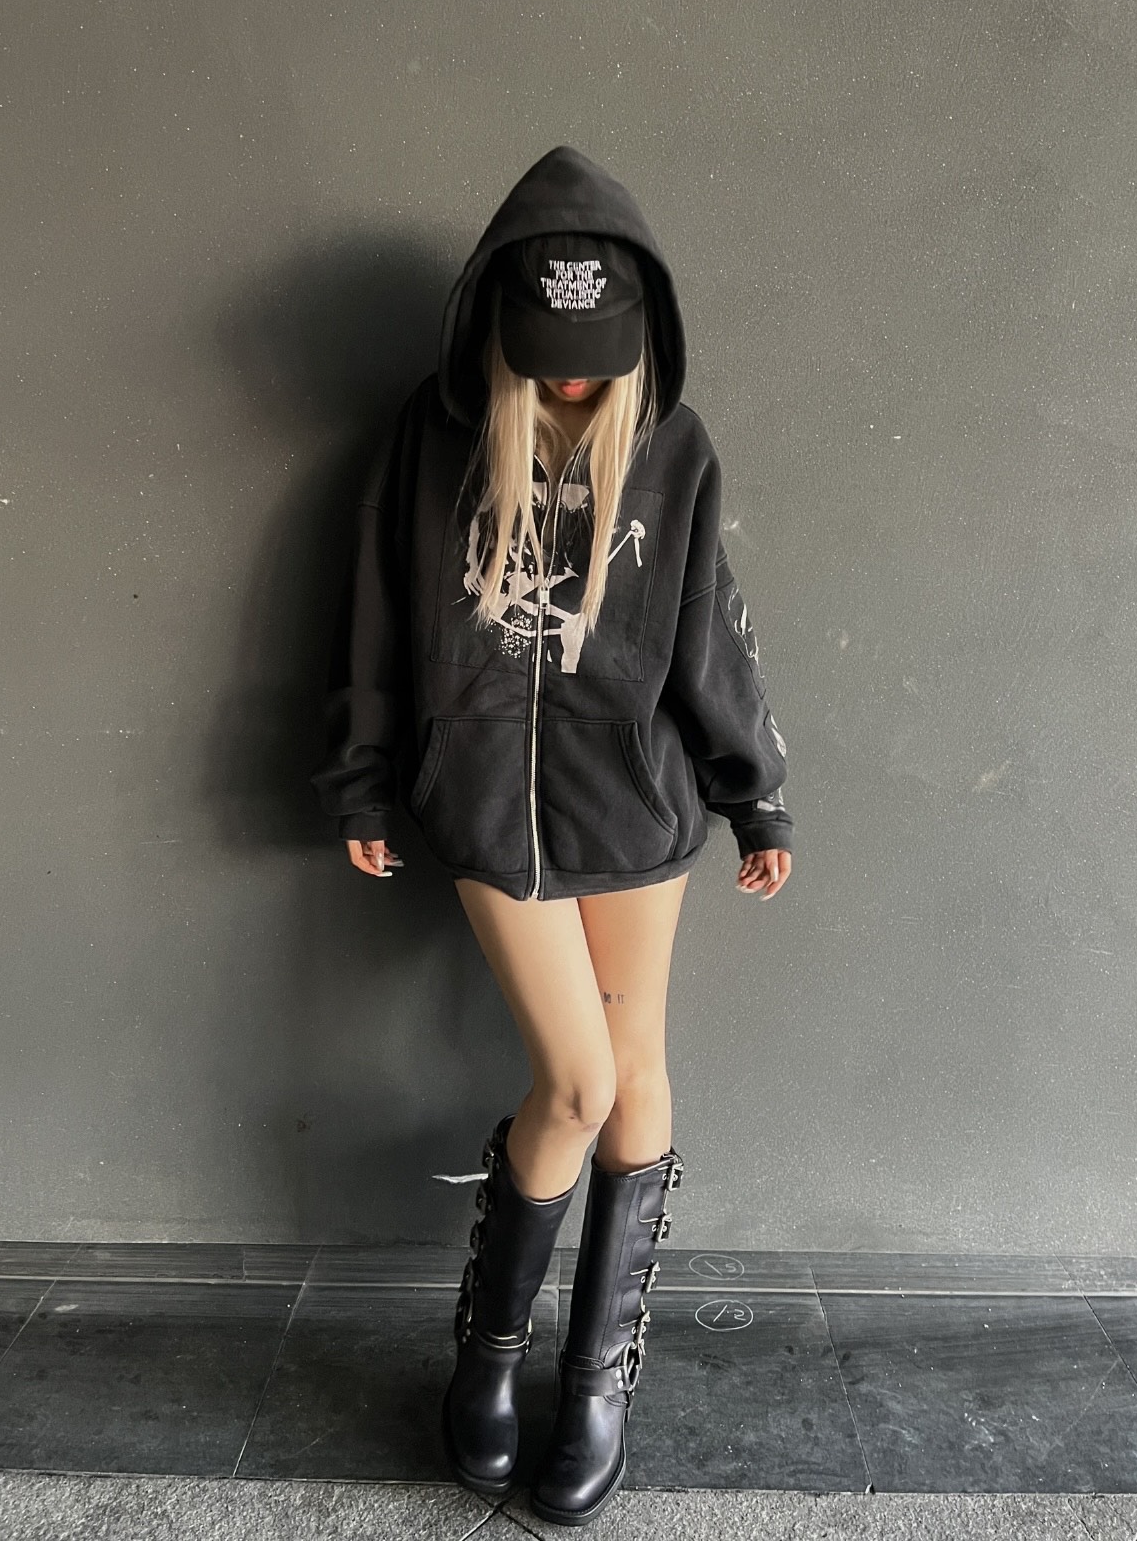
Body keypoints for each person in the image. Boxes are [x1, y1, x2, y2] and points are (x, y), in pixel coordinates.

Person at [310, 145, 794, 1525]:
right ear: (496, 332)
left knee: (635, 1079)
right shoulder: (433, 437)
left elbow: (707, 632)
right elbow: (375, 615)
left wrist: (753, 791)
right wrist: (362, 780)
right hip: (481, 808)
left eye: (597, 364)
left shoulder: (673, 449)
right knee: (573, 1086)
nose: (574, 385)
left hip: (636, 807)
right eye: (549, 363)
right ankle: (490, 1350)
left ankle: (593, 1383)